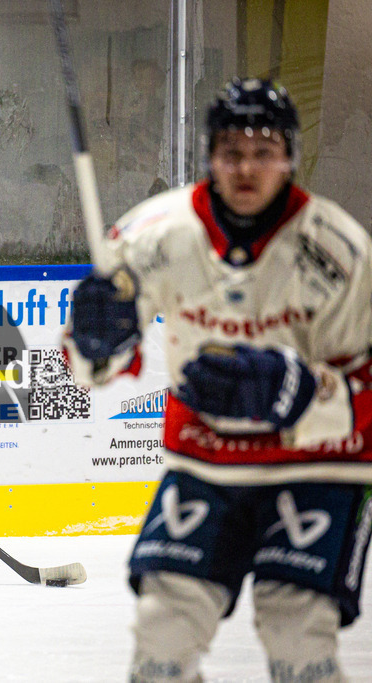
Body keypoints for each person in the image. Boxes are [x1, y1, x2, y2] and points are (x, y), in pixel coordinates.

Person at [63, 78, 372, 681]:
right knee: (161, 644)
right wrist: (97, 338)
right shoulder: (157, 233)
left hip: (317, 466)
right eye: (232, 152)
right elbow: (85, 365)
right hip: (204, 460)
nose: (247, 167)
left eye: (264, 151)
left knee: (298, 644)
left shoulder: (340, 251)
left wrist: (301, 394)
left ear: (290, 157)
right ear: (210, 156)